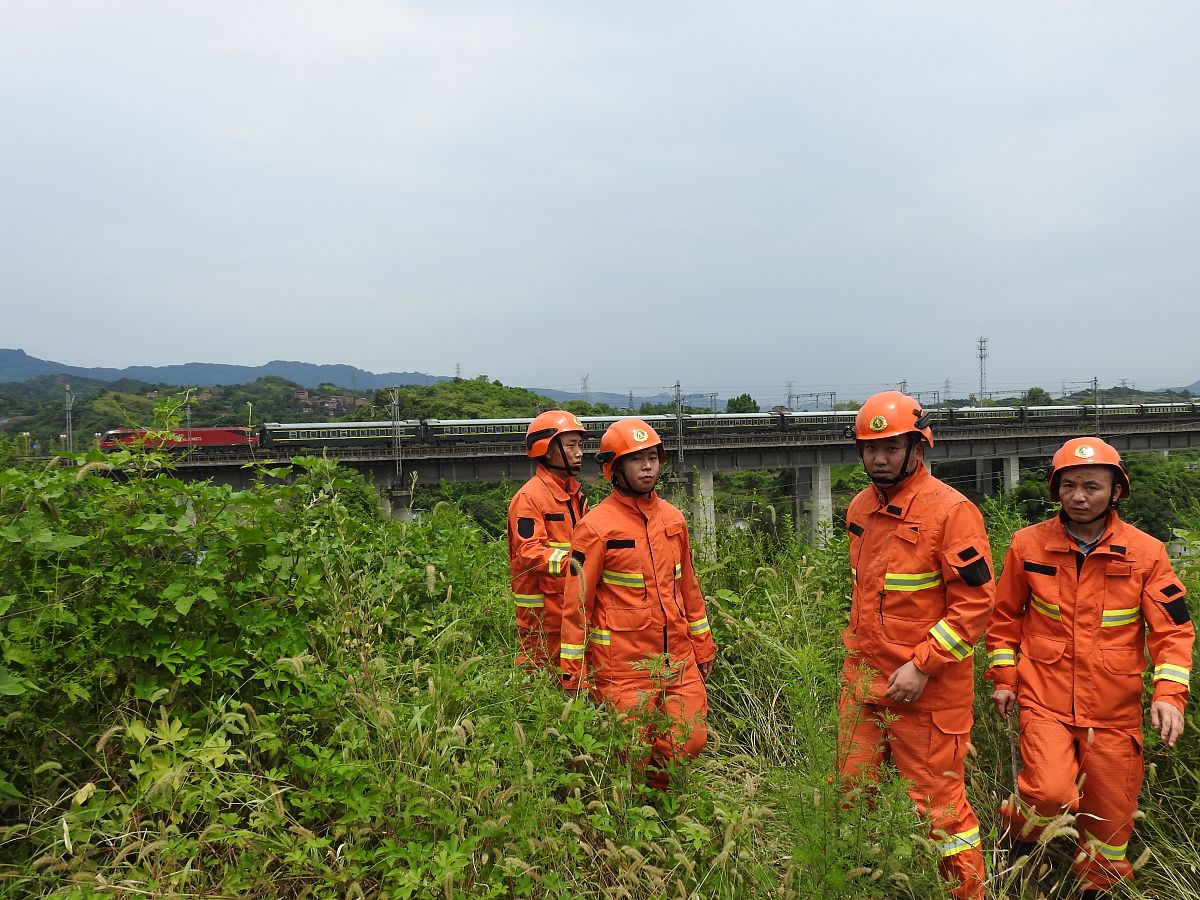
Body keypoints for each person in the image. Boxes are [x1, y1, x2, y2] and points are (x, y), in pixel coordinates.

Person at [986, 437, 1193, 897]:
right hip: (1044, 698)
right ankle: (1019, 841)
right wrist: (1004, 678)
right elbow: (1003, 620)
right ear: (1056, 490)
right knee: (1048, 794)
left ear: (1116, 491)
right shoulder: (1028, 545)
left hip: (1114, 711)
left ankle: (1094, 889)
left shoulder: (1147, 553)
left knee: (1109, 828)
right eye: (1070, 485)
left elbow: (1173, 632)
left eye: (1092, 487)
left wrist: (1168, 696)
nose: (1079, 497)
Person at [838, 391, 994, 900]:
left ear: (917, 445)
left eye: (890, 447)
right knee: (848, 796)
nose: (878, 459)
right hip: (863, 682)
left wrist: (923, 665)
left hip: (927, 695)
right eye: (869, 448)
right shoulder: (861, 507)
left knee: (942, 813)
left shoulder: (953, 512)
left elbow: (974, 604)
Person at [560, 418, 717, 789]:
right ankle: (646, 812)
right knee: (632, 752)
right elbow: (576, 602)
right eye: (637, 459)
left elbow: (689, 589)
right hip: (623, 668)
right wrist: (573, 671)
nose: (648, 466)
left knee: (691, 740)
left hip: (678, 660)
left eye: (652, 457)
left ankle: (657, 793)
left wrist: (703, 647)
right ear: (614, 468)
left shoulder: (673, 519)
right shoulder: (595, 527)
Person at [507, 410, 589, 669]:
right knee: (540, 693)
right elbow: (529, 553)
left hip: (572, 613)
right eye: (571, 445)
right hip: (542, 623)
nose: (579, 452)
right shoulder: (529, 499)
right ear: (547, 449)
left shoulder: (576, 495)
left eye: (580, 445)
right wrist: (575, 564)